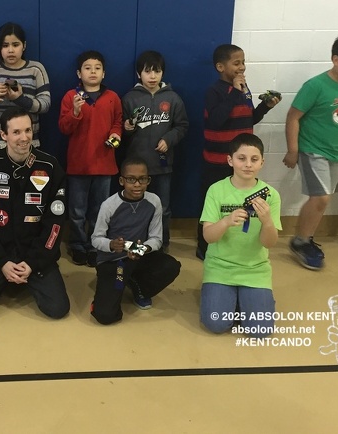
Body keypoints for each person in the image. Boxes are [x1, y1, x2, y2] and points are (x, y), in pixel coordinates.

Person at [0, 108, 70, 320]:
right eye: (16, 132)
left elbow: (55, 223)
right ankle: (4, 277)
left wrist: (32, 263)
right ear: (3, 135)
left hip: (35, 257)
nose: (24, 138)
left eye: (28, 130)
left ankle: (23, 276)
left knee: (58, 309)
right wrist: (1, 262)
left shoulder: (50, 167)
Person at [283, 33, 338, 270]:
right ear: (336, 60)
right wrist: (293, 150)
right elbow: (293, 117)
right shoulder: (315, 86)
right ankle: (300, 241)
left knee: (323, 199)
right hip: (313, 150)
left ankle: (306, 238)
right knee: (321, 197)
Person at [196, 44, 281, 261]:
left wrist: (265, 107)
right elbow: (216, 120)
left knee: (237, 201)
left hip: (240, 161)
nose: (242, 67)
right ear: (220, 67)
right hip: (217, 161)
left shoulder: (243, 89)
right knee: (211, 203)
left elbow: (249, 118)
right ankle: (204, 246)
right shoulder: (215, 91)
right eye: (236, 63)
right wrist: (235, 91)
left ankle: (234, 242)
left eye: (243, 62)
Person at [199, 134, 281, 337]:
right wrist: (226, 221)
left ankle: (246, 302)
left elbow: (269, 243)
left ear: (262, 162)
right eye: (241, 158)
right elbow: (208, 237)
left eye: (254, 159)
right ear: (230, 160)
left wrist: (267, 222)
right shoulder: (216, 190)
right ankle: (230, 300)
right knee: (216, 324)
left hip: (255, 270)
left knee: (260, 331)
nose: (248, 165)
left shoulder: (271, 195)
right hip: (220, 268)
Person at [89, 157, 181, 325]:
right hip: (115, 261)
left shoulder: (154, 201)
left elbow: (156, 239)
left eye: (142, 179)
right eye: (131, 179)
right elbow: (96, 239)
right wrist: (111, 244)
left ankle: (138, 288)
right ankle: (120, 282)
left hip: (139, 254)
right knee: (106, 315)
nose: (137, 184)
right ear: (122, 181)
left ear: (148, 180)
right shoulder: (109, 205)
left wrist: (142, 249)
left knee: (171, 266)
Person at [58, 50, 122, 267]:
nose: (92, 72)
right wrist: (75, 112)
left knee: (99, 210)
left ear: (104, 73)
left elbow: (118, 122)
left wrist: (116, 134)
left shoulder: (112, 97)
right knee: (77, 210)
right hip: (79, 165)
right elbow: (64, 128)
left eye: (97, 68)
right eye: (87, 68)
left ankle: (96, 245)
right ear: (79, 73)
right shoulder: (71, 97)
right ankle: (77, 244)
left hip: (104, 164)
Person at [121, 50, 189, 251]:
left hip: (162, 165)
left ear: (162, 73)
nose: (152, 76)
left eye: (157, 71)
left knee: (163, 208)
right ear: (138, 74)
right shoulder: (129, 98)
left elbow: (182, 126)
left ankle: (161, 245)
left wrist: (169, 139)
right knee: (135, 206)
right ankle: (136, 245)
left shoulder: (173, 98)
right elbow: (119, 129)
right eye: (147, 71)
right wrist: (127, 128)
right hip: (136, 168)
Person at [0, 22, 51, 152]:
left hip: (26, 141)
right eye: (5, 45)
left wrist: (20, 99)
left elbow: (45, 105)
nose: (10, 50)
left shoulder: (36, 69)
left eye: (15, 45)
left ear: (24, 45)